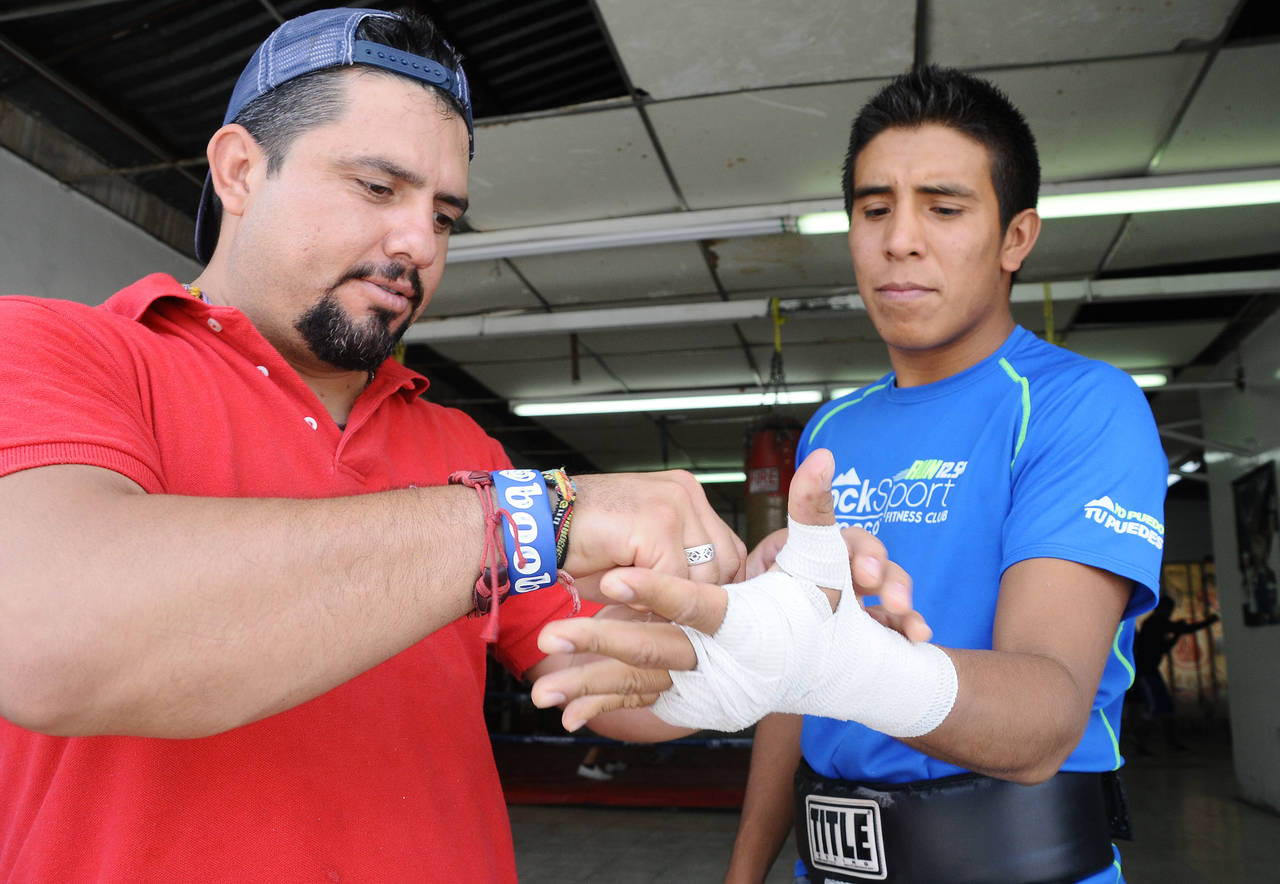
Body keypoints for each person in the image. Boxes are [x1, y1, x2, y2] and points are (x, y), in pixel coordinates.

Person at [0, 8, 759, 880]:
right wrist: (528, 520)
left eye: (444, 215)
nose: (417, 245)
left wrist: (761, 615)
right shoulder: (53, 352)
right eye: (377, 188)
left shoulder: (460, 441)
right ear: (240, 169)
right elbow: (54, 636)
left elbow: (611, 684)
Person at [530, 66, 1167, 884]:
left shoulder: (1081, 406)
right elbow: (789, 670)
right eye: (874, 210)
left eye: (943, 207)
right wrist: (747, 871)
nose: (900, 238)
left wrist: (847, 669)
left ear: (1016, 237)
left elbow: (1044, 716)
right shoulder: (835, 430)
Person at [1131, 595, 1219, 753]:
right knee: (1154, 709)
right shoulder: (1156, 623)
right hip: (1147, 673)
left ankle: (1167, 741)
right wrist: (1207, 622)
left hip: (1150, 672)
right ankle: (1141, 742)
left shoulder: (1154, 624)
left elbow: (1165, 645)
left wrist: (1177, 633)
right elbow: (1182, 630)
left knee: (1165, 708)